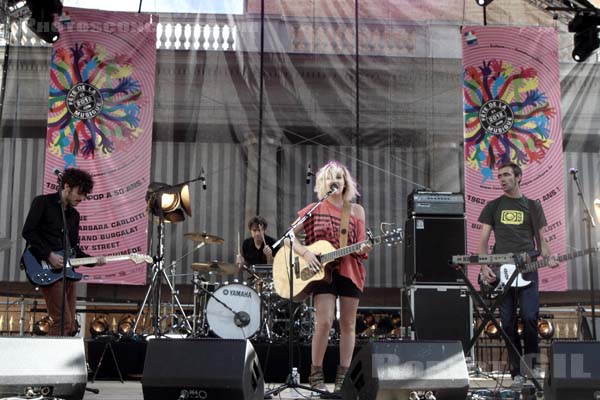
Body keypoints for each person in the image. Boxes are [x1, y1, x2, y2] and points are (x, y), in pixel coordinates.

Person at [292, 160, 372, 393]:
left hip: (349, 269)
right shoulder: (313, 209)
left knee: (348, 324)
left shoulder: (356, 210)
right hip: (320, 272)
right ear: (322, 183)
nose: (334, 180)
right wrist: (306, 253)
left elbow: (360, 244)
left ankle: (343, 379)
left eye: (339, 177)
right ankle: (315, 373)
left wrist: (365, 248)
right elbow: (289, 237)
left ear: (346, 182)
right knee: (325, 321)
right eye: (330, 177)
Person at [478, 162, 558, 386]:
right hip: (501, 271)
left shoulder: (533, 206)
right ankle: (516, 373)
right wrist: (484, 268)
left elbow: (542, 239)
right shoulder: (493, 206)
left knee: (531, 317)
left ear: (519, 177)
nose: (502, 179)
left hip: (527, 270)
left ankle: (532, 369)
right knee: (507, 323)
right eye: (499, 176)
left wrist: (549, 257)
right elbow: (483, 242)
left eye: (506, 175)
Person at [22, 168, 104, 336]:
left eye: (84, 195)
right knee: (63, 321)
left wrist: (92, 260)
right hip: (46, 268)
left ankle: (57, 358)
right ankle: (50, 361)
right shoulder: (42, 202)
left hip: (68, 274)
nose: (81, 198)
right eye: (79, 193)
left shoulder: (74, 215)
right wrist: (48, 255)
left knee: (71, 325)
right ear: (66, 186)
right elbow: (28, 232)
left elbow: (74, 249)